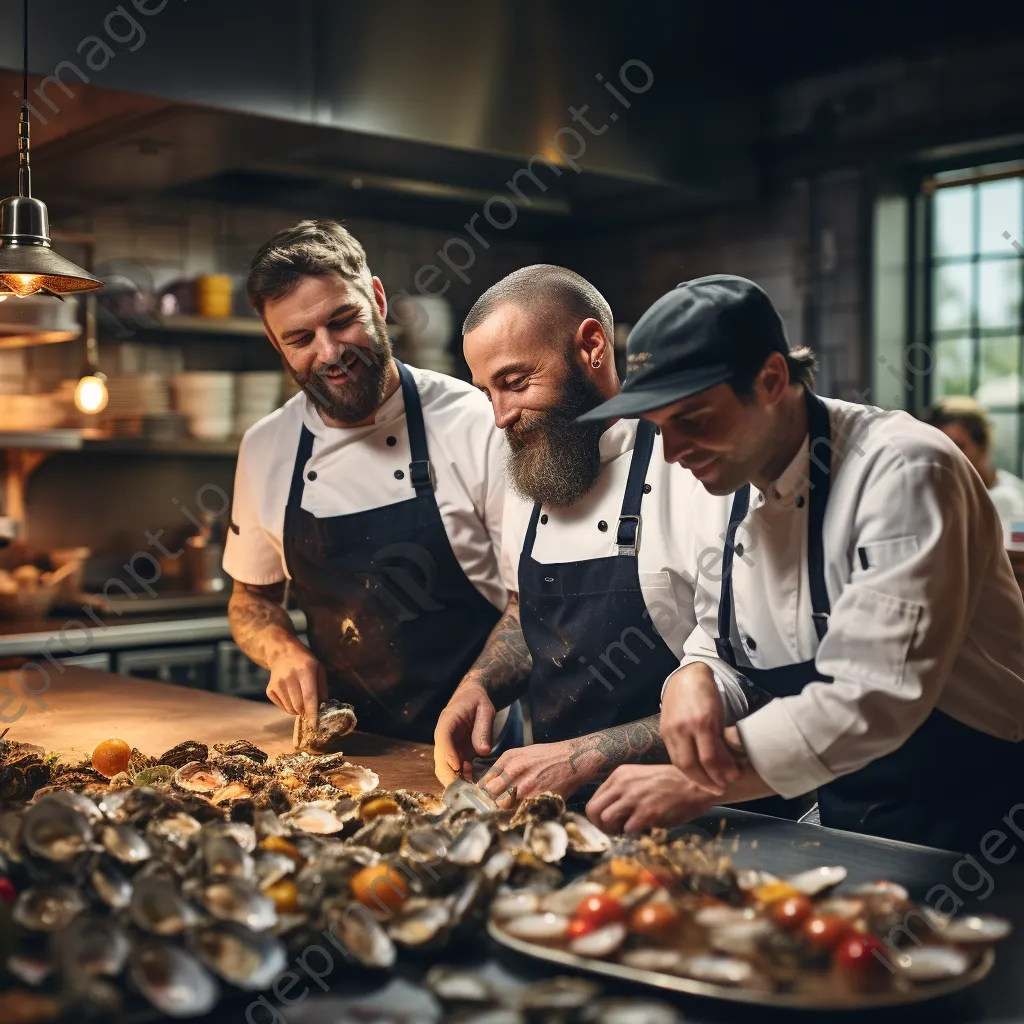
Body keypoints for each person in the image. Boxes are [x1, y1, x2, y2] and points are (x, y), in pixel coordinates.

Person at [581, 274, 1024, 854]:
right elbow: (725, 641)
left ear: (770, 380)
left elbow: (874, 698)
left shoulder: (906, 473)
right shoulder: (733, 484)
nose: (673, 452)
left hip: (979, 827)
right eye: (658, 427)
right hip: (850, 823)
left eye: (692, 419)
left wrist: (699, 782)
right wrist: (693, 678)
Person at [223, 220, 516, 746]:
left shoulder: (475, 421)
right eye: (300, 339)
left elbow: (533, 601)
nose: (330, 352)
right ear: (275, 343)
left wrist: (480, 687)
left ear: (377, 299)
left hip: (482, 744)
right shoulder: (266, 446)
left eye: (343, 321)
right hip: (342, 751)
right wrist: (281, 650)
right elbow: (251, 601)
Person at [433, 265, 702, 806]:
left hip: (701, 811)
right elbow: (524, 609)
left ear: (592, 347)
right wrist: (480, 684)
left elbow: (740, 686)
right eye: (487, 393)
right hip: (558, 811)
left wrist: (580, 758)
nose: (501, 417)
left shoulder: (694, 469)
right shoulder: (535, 466)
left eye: (514, 382)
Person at [925, 395, 1024, 519]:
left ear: (983, 444)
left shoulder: (1007, 503)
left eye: (959, 447)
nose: (948, 457)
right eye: (939, 448)